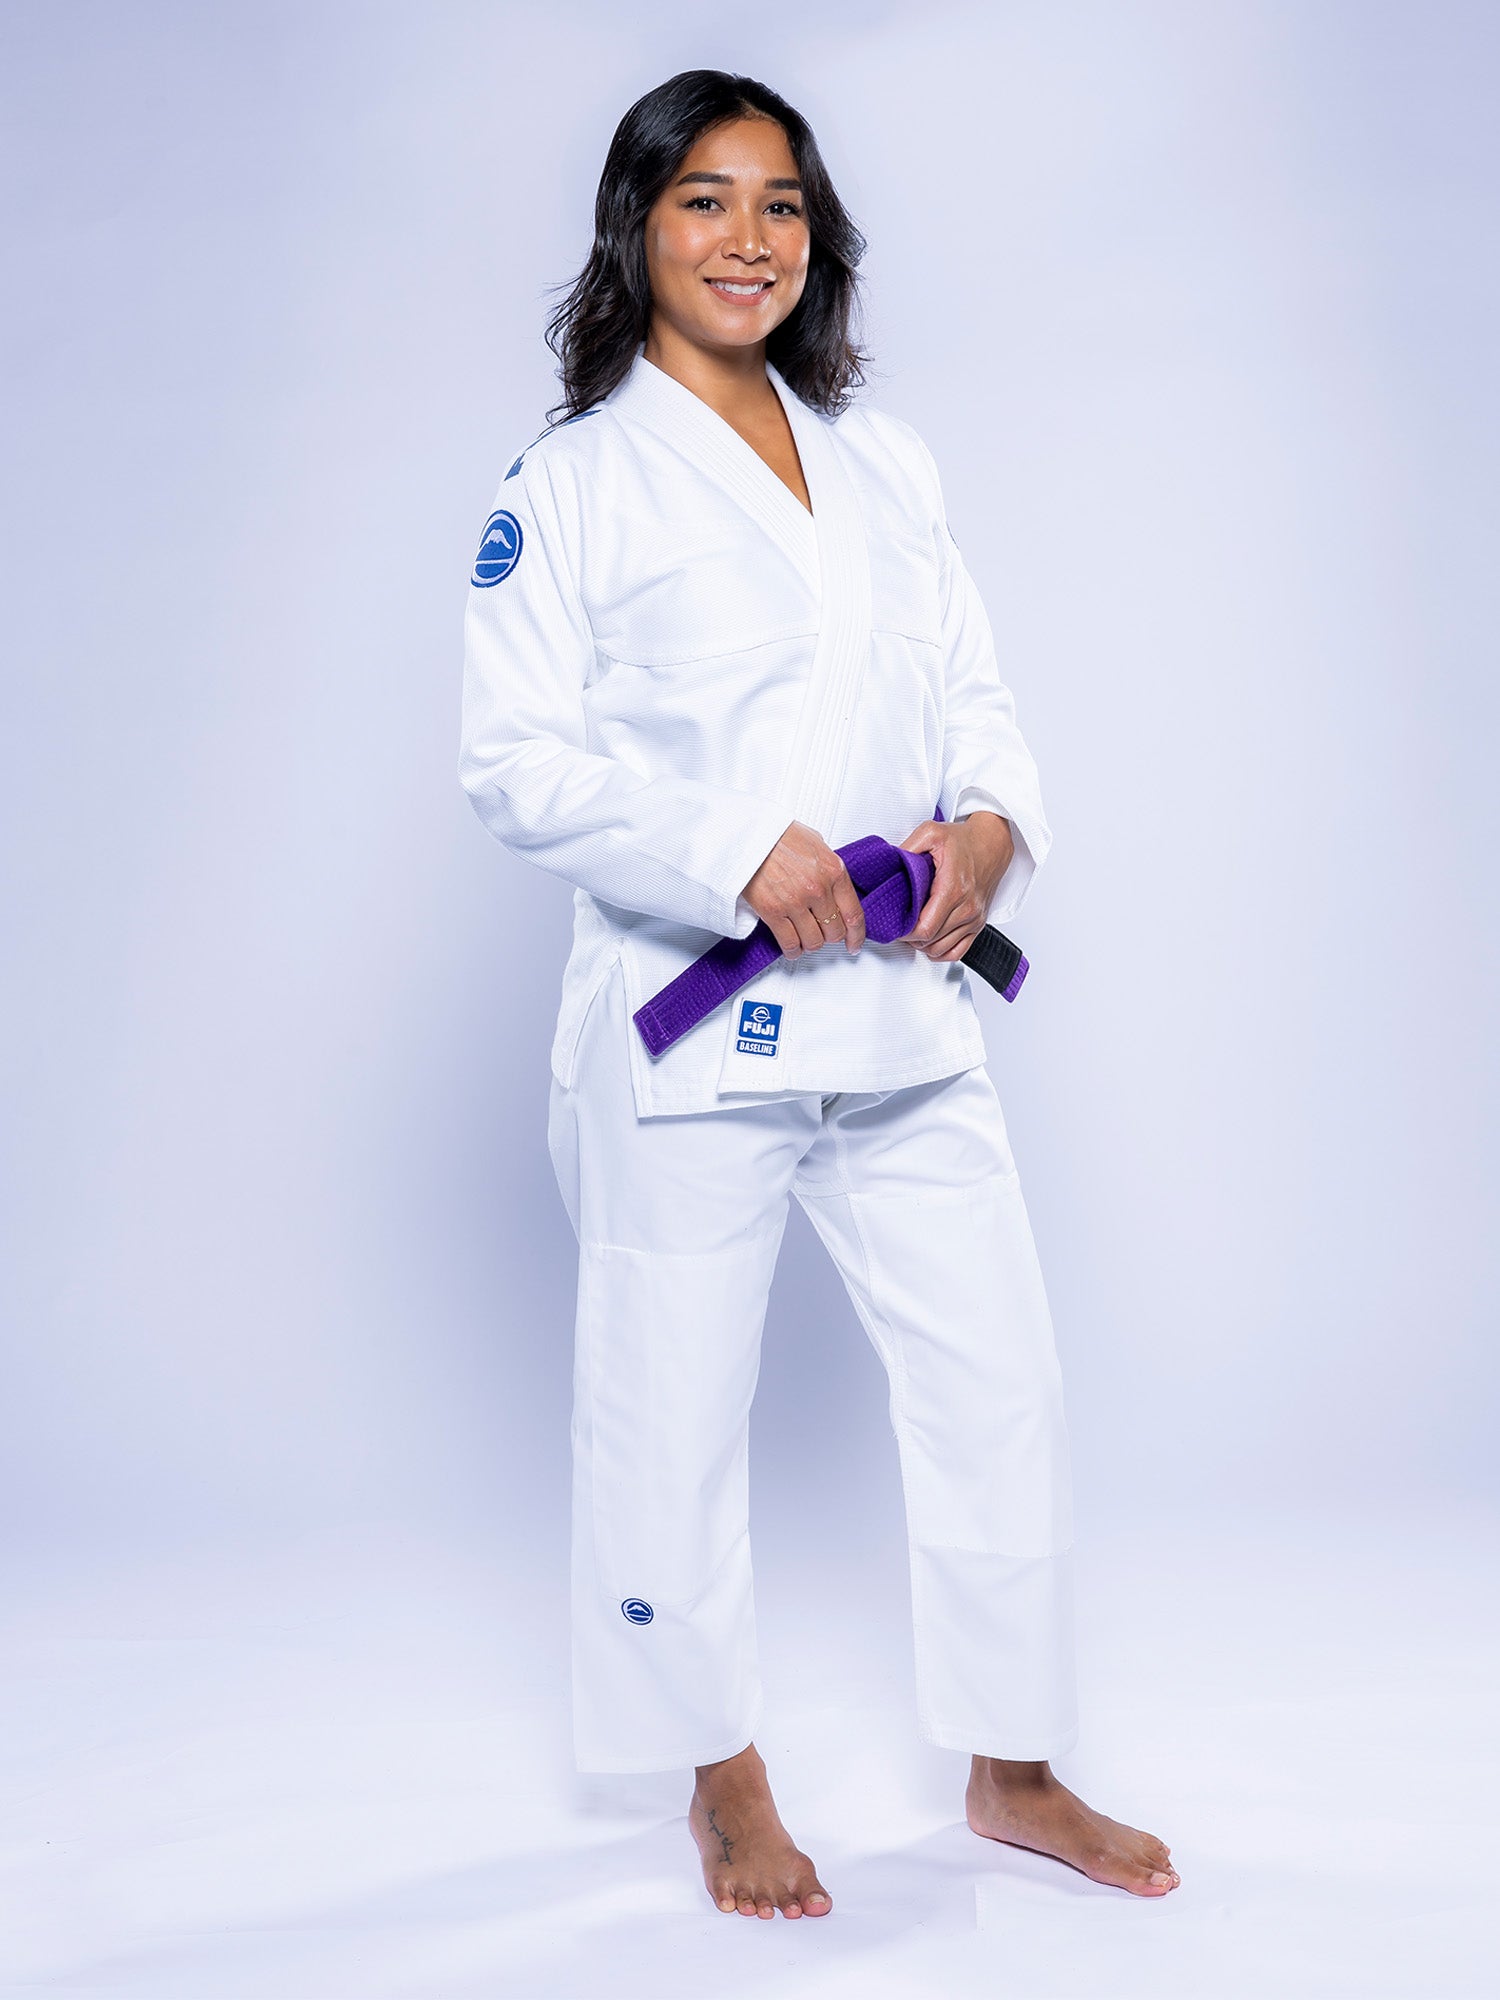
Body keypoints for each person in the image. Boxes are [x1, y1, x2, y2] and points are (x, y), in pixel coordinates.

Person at [460, 68, 1178, 1921]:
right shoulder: (572, 485)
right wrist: (729, 852)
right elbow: (514, 763)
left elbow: (976, 697)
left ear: (818, 238)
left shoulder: (887, 462)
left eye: (780, 204)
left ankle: (1014, 1763)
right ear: (636, 228)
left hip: (903, 1013)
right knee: (671, 1406)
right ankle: (718, 1771)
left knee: (1000, 1382)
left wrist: (993, 831)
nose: (747, 238)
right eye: (704, 200)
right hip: (691, 1024)